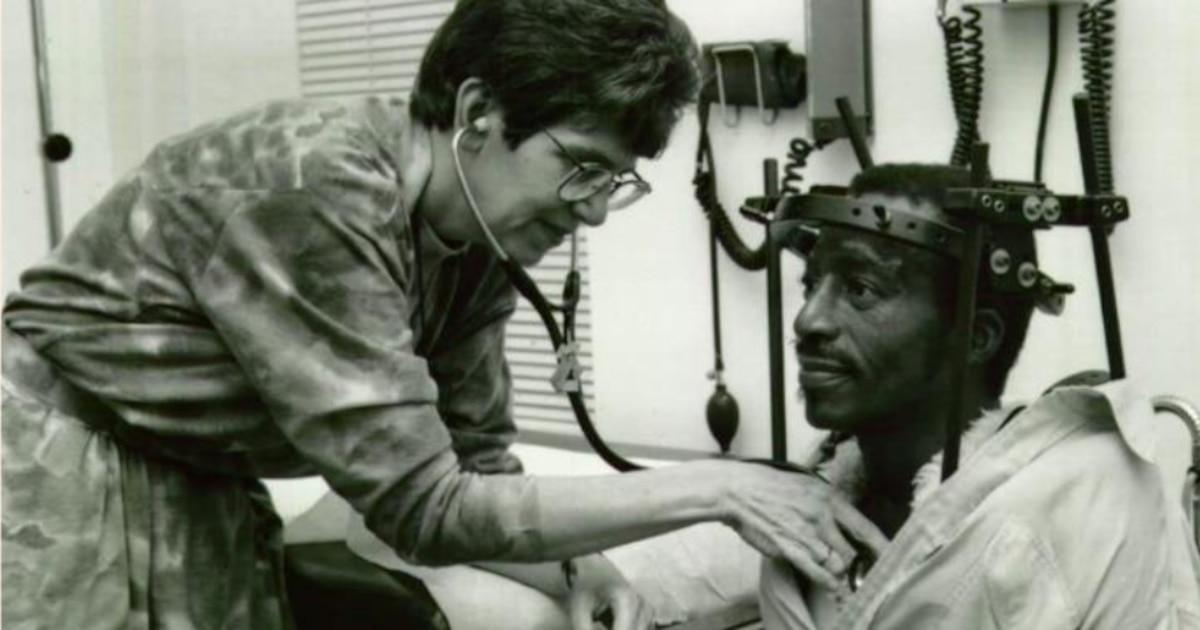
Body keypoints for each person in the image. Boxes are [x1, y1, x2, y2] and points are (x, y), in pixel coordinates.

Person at [1, 1, 888, 628]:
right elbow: (424, 510)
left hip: (201, 479)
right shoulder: (316, 190)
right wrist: (721, 488)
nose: (591, 211)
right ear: (475, 113)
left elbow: (475, 465)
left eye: (616, 181)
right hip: (59, 465)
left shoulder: (475, 242)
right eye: (580, 167)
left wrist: (580, 570)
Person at [758, 163, 1200, 628]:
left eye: (860, 289)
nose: (808, 320)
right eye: (811, 284)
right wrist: (719, 489)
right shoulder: (808, 499)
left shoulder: (1068, 512)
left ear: (976, 337)